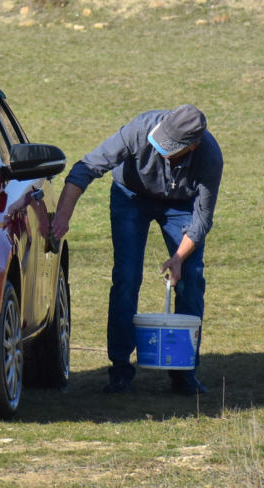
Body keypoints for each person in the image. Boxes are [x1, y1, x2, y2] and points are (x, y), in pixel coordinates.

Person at [50, 105, 223, 396]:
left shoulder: (209, 157)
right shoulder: (141, 130)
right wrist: (62, 217)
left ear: (193, 145)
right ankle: (120, 370)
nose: (161, 149)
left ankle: (184, 373)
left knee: (191, 278)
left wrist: (178, 259)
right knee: (127, 277)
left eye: (170, 147)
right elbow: (86, 167)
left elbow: (202, 218)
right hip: (130, 196)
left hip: (182, 205)